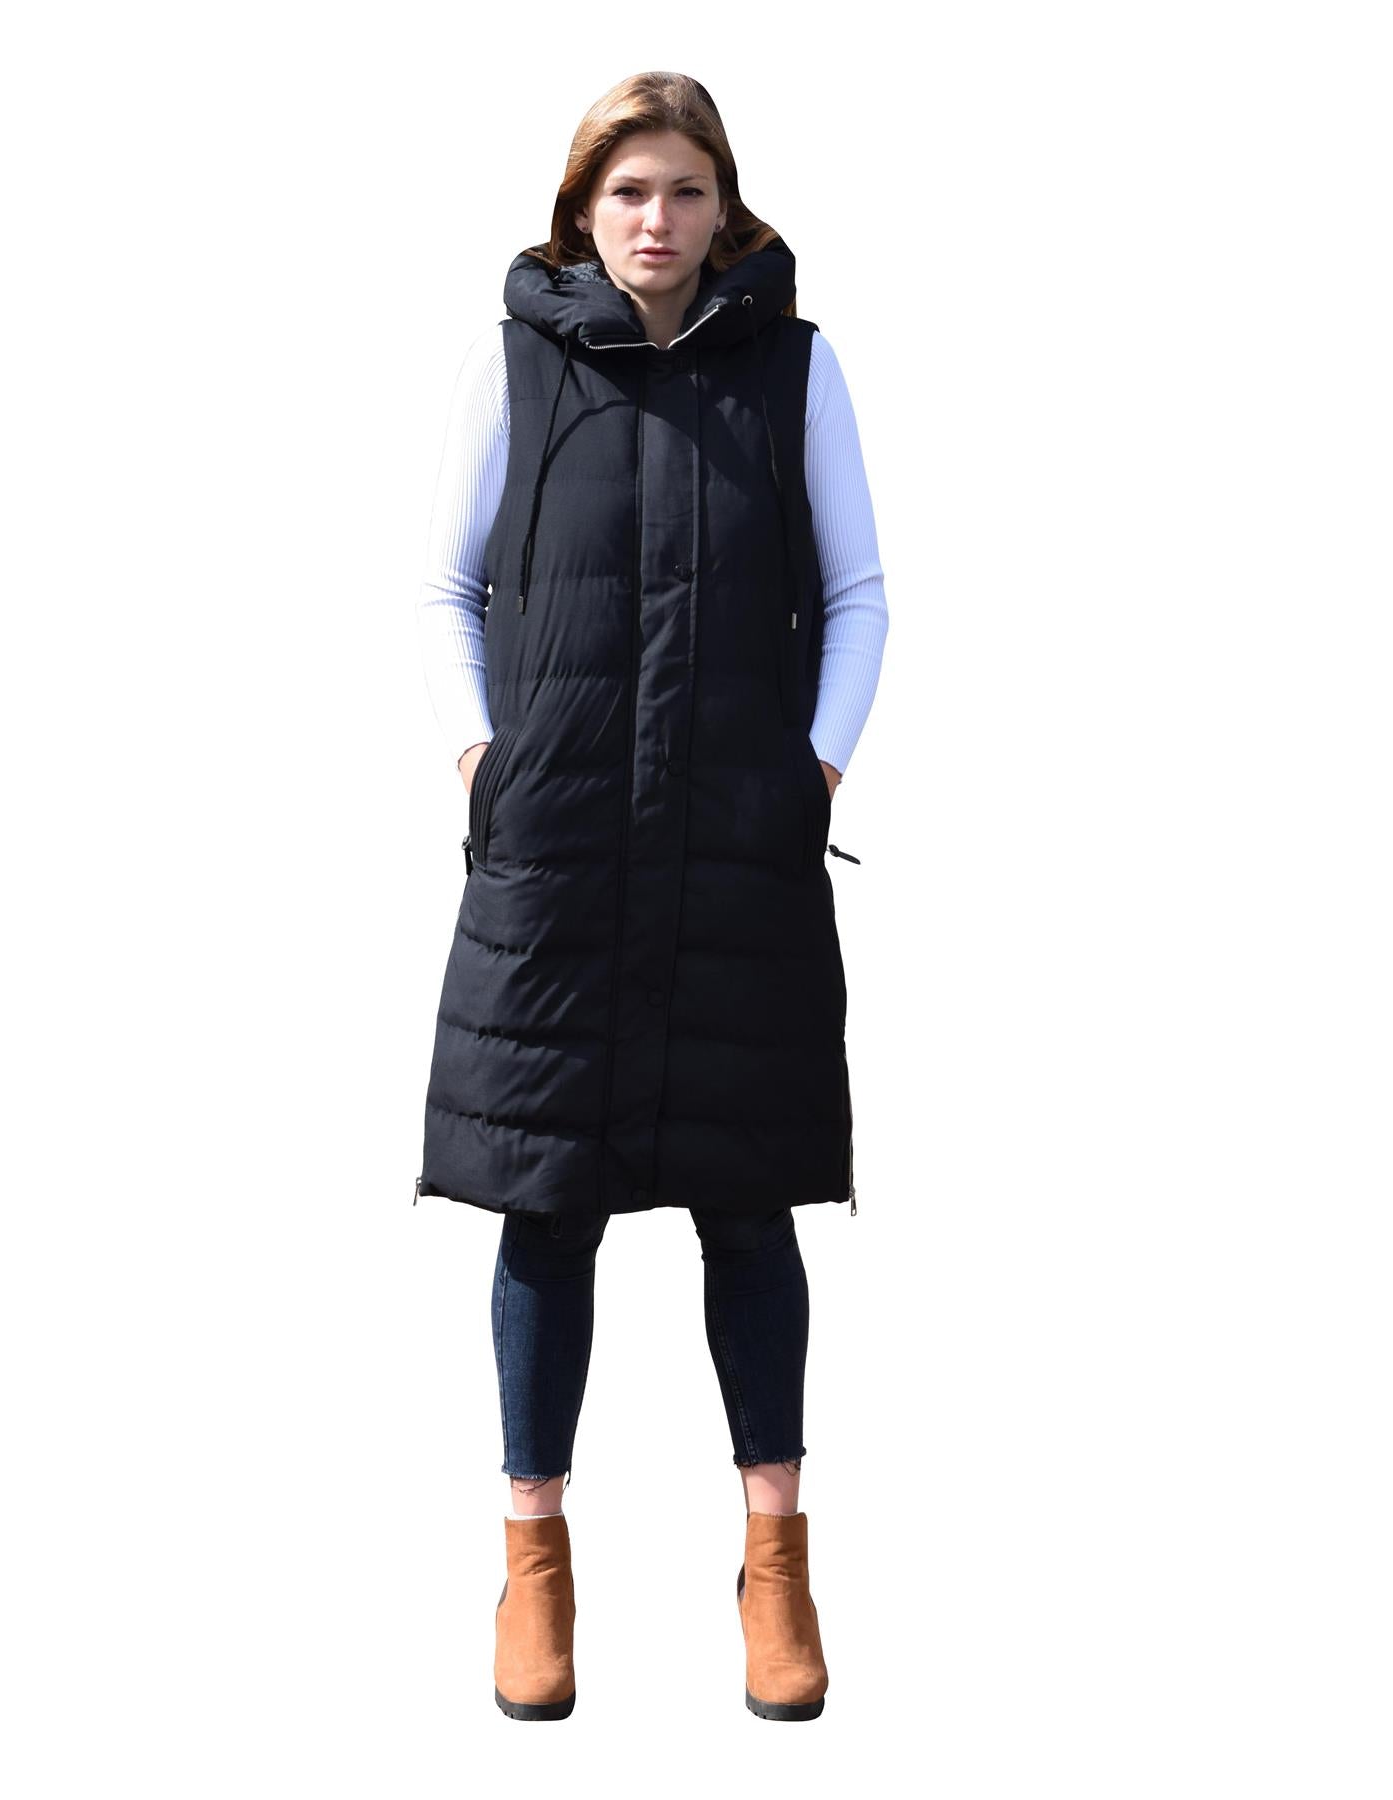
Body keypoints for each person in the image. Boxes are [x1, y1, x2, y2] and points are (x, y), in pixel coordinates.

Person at [412, 72, 888, 1722]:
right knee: (543, 1203)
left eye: (685, 190)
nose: (657, 221)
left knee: (746, 1204)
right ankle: (531, 1562)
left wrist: (813, 772)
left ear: (723, 205)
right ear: (581, 211)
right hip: (555, 852)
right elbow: (439, 584)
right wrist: (482, 762)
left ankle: (775, 1563)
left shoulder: (793, 368)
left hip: (738, 845)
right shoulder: (515, 366)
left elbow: (860, 590)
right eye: (628, 192)